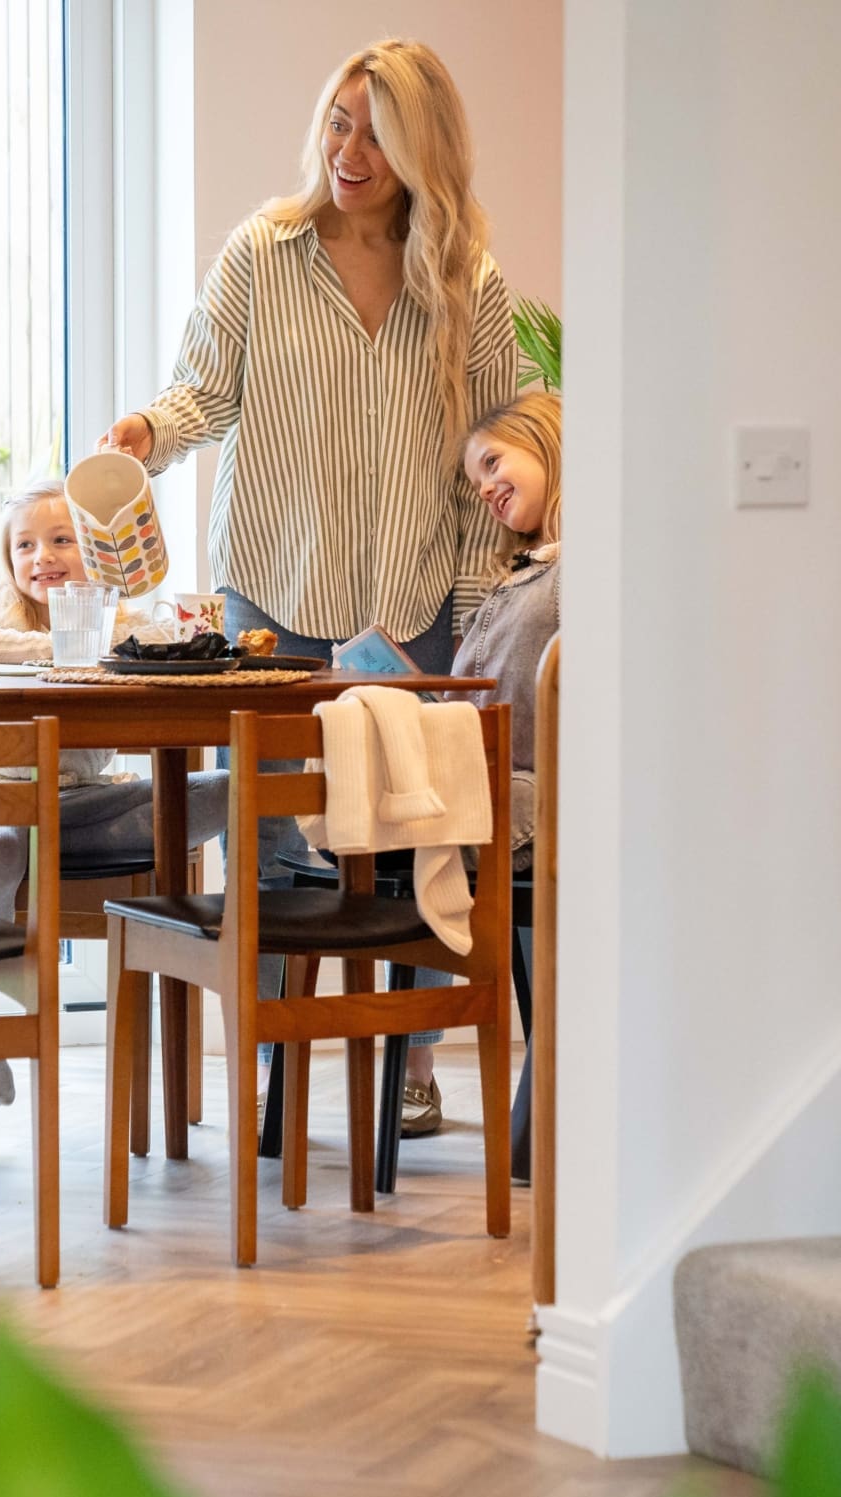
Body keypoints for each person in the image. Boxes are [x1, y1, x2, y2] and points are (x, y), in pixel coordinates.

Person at [101, 38, 518, 1048]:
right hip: (273, 599)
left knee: (425, 837)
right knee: (275, 846)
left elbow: (490, 452)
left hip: (415, 604)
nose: (351, 150)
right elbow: (206, 390)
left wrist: (470, 615)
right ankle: (272, 1053)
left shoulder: (470, 283)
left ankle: (409, 1061)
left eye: (380, 133)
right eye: (340, 121)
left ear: (426, 151)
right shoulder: (264, 251)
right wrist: (146, 437)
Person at [0, 478, 231, 1104]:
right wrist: (82, 641)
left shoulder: (121, 618)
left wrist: (124, 625)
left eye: (59, 540)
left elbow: (160, 646)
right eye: (24, 546)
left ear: (94, 551)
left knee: (228, 788)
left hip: (82, 801)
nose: (40, 557)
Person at [399, 390, 562, 1133]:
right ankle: (401, 1072)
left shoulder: (586, 565)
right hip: (484, 777)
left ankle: (403, 1072)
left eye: (494, 462)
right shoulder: (519, 576)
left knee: (379, 817)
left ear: (549, 438)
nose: (488, 489)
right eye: (477, 482)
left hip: (532, 793)